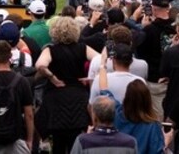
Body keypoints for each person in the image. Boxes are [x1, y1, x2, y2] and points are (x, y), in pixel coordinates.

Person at [35, 16, 97, 154]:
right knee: (76, 140)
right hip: (78, 97)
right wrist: (91, 77)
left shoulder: (50, 50)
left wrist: (52, 77)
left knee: (58, 142)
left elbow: (40, 65)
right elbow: (101, 60)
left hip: (56, 97)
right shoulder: (82, 48)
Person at [70, 96, 138, 154]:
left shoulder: (82, 142)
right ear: (114, 115)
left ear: (95, 116)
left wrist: (87, 136)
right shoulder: (130, 143)